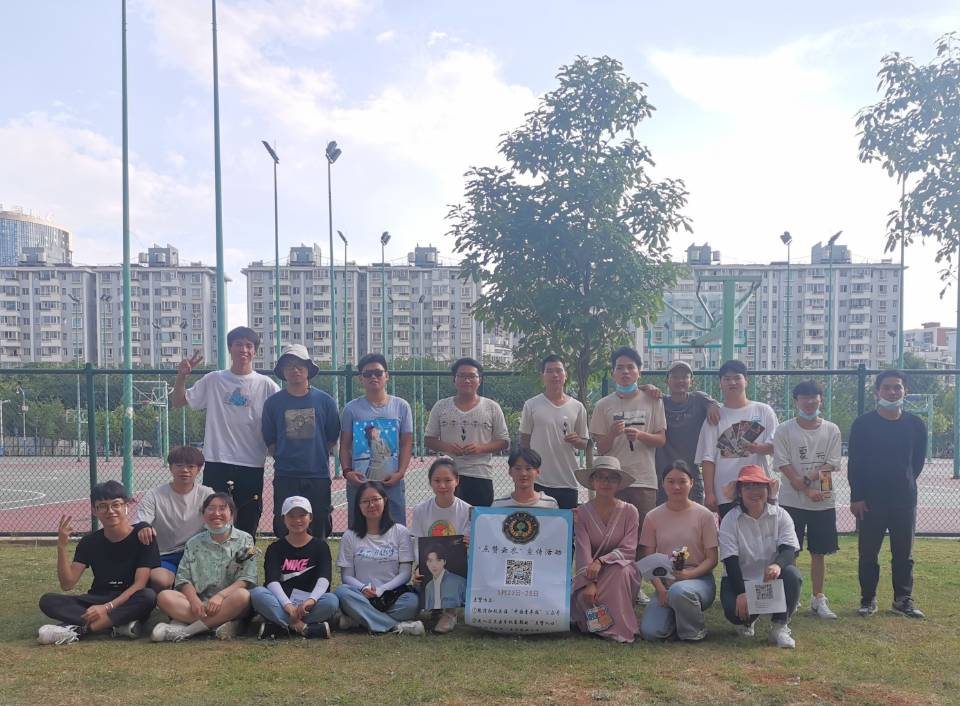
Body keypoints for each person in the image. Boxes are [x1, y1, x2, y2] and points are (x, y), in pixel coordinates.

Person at [171, 326, 279, 536]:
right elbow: (178, 401)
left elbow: (283, 413)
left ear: (255, 351)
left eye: (248, 345)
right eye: (238, 344)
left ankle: (245, 557)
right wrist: (181, 376)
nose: (243, 350)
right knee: (215, 521)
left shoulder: (266, 385)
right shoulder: (214, 379)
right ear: (230, 348)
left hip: (251, 463)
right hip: (217, 461)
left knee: (247, 521)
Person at [38, 481, 159, 645]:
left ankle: (82, 629)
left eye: (116, 505)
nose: (110, 511)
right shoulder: (89, 542)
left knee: (148, 596)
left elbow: (139, 584)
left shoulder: (143, 537)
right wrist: (61, 547)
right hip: (98, 597)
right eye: (103, 506)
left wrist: (106, 608)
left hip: (129, 598)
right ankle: (116, 625)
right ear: (94, 510)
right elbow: (67, 584)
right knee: (48, 601)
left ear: (126, 506)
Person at [589, 346, 665, 603]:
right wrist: (612, 433)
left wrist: (641, 435)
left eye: (630, 367)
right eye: (620, 367)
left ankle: (636, 584)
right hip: (612, 481)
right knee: (612, 535)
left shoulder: (653, 400)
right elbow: (600, 447)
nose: (625, 372)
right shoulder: (603, 405)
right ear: (613, 372)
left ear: (639, 371)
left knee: (642, 536)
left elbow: (661, 439)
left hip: (644, 478)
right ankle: (610, 582)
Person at [849, 370, 927, 619]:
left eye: (897, 387)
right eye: (887, 387)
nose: (892, 392)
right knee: (868, 553)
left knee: (903, 554)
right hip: (870, 500)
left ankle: (902, 599)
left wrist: (904, 482)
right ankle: (868, 599)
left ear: (905, 391)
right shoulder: (863, 424)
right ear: (877, 392)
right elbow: (855, 463)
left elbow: (916, 463)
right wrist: (857, 496)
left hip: (904, 500)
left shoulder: (916, 425)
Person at [773, 380, 842, 619]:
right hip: (791, 501)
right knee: (790, 551)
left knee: (819, 552)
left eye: (814, 397)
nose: (810, 402)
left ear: (821, 400)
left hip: (822, 501)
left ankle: (818, 598)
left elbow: (831, 464)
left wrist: (811, 484)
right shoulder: (784, 430)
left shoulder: (832, 429)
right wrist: (804, 488)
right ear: (796, 401)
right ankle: (791, 597)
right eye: (804, 397)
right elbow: (783, 464)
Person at [151, 492, 257, 642]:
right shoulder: (194, 542)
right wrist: (194, 600)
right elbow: (183, 578)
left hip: (229, 600)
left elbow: (246, 579)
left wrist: (220, 596)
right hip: (200, 604)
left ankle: (187, 630)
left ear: (231, 514)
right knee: (164, 597)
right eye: (211, 508)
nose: (216, 513)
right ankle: (218, 623)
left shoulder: (245, 539)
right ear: (203, 514)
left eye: (222, 508)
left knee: (243, 596)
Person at [262, 344, 340, 539]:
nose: (295, 370)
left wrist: (314, 454)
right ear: (282, 371)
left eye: (300, 365)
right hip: (285, 475)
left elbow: (331, 436)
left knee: (319, 523)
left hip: (317, 475)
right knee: (284, 525)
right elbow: (270, 439)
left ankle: (318, 557)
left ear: (308, 369)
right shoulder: (273, 403)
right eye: (289, 366)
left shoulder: (325, 401)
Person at [718, 465, 801, 649]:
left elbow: (789, 549)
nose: (754, 491)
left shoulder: (781, 515)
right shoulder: (730, 520)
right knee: (734, 613)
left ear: (768, 490)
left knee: (792, 575)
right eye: (748, 487)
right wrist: (741, 592)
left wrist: (777, 565)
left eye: (759, 486)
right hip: (741, 578)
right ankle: (747, 622)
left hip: (770, 580)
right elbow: (730, 560)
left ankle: (779, 627)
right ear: (739, 492)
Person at [639, 460, 719, 642]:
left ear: (692, 482)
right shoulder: (652, 517)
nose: (676, 487)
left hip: (698, 581)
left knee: (679, 591)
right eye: (671, 481)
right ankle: (677, 615)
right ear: (663, 483)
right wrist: (660, 589)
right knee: (651, 632)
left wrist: (690, 575)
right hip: (666, 583)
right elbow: (649, 559)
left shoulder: (704, 515)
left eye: (682, 481)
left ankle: (693, 632)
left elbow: (712, 558)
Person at [334, 481, 423, 635]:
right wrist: (363, 588)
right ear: (358, 506)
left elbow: (405, 573)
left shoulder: (400, 532)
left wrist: (383, 589)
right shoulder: (350, 535)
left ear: (385, 500)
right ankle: (395, 626)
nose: (371, 505)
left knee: (412, 602)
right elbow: (346, 576)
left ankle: (359, 620)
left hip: (392, 595)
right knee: (342, 592)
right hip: (362, 595)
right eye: (365, 501)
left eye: (376, 499)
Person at [696, 359, 779, 519]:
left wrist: (758, 448)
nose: (732, 382)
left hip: (759, 490)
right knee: (729, 534)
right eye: (727, 379)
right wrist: (710, 493)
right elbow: (708, 459)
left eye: (737, 378)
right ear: (720, 384)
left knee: (763, 533)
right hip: (725, 493)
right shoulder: (714, 417)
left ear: (746, 381)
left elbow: (776, 446)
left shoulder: (764, 411)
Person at [570, 456, 641, 643]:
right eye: (600, 477)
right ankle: (598, 625)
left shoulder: (630, 511)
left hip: (622, 569)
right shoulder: (581, 513)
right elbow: (583, 550)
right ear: (592, 481)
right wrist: (589, 582)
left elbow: (629, 549)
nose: (605, 482)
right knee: (586, 595)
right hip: (589, 573)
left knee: (619, 572)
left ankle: (618, 629)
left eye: (612, 478)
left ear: (619, 483)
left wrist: (602, 560)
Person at [339, 353, 414, 527]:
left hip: (391, 480)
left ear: (387, 375)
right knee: (359, 527)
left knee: (395, 526)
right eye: (367, 374)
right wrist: (347, 472)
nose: (373, 377)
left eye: (378, 373)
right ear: (360, 378)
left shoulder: (401, 406)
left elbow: (406, 443)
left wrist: (400, 473)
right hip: (360, 480)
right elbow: (344, 445)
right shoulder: (351, 409)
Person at [425, 357, 510, 507]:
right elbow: (429, 439)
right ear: (454, 379)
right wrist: (448, 447)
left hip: (481, 475)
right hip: (449, 476)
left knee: (478, 518)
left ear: (479, 380)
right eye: (462, 376)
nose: (467, 380)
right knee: (450, 519)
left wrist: (480, 448)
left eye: (472, 376)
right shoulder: (441, 406)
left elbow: (503, 441)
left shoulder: (491, 407)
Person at [251, 496, 338, 639]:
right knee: (257, 593)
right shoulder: (275, 548)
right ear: (283, 519)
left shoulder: (320, 546)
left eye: (302, 515)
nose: (297, 520)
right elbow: (272, 581)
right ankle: (305, 628)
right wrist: (288, 606)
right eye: (291, 516)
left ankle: (278, 627)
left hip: (309, 605)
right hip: (282, 602)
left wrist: (311, 600)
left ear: (310, 517)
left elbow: (324, 578)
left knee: (331, 601)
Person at [135, 445, 214, 590]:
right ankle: (171, 587)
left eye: (190, 466)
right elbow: (141, 520)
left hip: (197, 554)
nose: (185, 470)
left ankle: (182, 587)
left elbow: (219, 520)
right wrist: (144, 527)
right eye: (179, 465)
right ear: (171, 468)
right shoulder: (154, 495)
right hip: (165, 554)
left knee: (211, 578)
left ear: (199, 469)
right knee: (160, 580)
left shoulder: (207, 494)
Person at [410, 457, 472, 634]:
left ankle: (450, 613)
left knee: (451, 572)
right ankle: (435, 606)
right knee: (425, 573)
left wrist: (470, 543)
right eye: (437, 480)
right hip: (430, 561)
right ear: (430, 482)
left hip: (457, 563)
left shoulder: (468, 510)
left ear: (457, 481)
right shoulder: (421, 510)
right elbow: (417, 543)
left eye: (447, 480)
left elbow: (467, 547)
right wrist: (420, 566)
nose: (442, 485)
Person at [518, 354, 589, 509]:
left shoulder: (577, 407)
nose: (555, 375)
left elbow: (584, 443)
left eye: (559, 370)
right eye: (549, 371)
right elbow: (524, 441)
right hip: (538, 480)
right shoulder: (531, 405)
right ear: (542, 376)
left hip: (567, 480)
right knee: (537, 523)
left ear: (565, 375)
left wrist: (577, 441)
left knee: (566, 523)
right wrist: (528, 470)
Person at [654, 361, 720, 505]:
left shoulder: (699, 399)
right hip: (663, 472)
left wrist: (712, 405)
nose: (680, 381)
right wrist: (647, 388)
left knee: (695, 513)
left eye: (685, 377)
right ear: (667, 381)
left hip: (691, 471)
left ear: (691, 381)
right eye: (675, 377)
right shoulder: (659, 402)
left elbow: (715, 405)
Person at [492, 447, 560, 508]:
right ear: (510, 471)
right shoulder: (498, 505)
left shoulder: (550, 504)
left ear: (537, 472)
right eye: (518, 468)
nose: (523, 473)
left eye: (528, 468)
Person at [421, 544, 467, 612]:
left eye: (438, 560)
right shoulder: (429, 586)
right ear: (426, 563)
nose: (434, 565)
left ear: (444, 562)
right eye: (430, 561)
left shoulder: (460, 582)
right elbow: (427, 610)